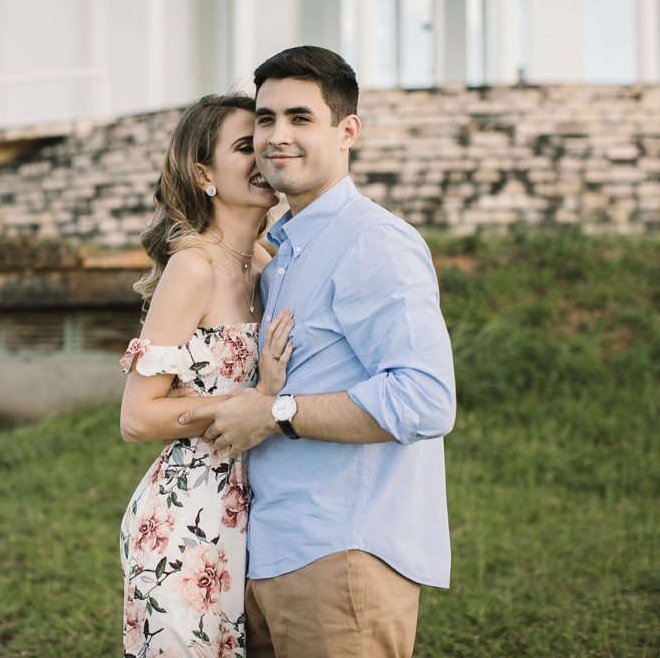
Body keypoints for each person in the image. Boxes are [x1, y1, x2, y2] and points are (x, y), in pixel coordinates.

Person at [179, 47, 457, 658]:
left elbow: (425, 399)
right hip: (268, 551)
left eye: (300, 118)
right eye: (266, 119)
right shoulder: (283, 256)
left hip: (342, 555)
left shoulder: (373, 241)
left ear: (347, 130)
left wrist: (276, 412)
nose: (277, 136)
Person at [118, 93, 296, 658]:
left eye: (262, 142)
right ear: (204, 175)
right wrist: (253, 402)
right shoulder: (192, 268)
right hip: (187, 518)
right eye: (245, 147)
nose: (263, 154)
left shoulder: (269, 266)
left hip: (260, 509)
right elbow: (137, 417)